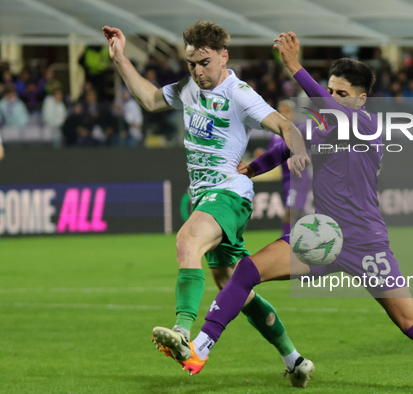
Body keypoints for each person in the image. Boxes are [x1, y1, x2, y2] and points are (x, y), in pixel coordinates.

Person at [185, 32, 413, 389]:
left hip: (365, 242)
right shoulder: (324, 123)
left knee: (412, 324)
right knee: (246, 271)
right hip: (324, 237)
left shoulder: (365, 126)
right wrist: (252, 169)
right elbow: (290, 142)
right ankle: (201, 348)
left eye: (341, 93)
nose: (331, 98)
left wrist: (294, 67)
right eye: (330, 90)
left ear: (361, 100)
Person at [102, 21, 312, 384]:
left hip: (230, 192)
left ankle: (183, 333)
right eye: (191, 64)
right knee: (233, 286)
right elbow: (151, 99)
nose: (197, 71)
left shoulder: (239, 93)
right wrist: (120, 58)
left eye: (204, 62)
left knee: (187, 240)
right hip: (206, 194)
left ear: (223, 57)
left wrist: (298, 152)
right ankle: (294, 360)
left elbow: (285, 126)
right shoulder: (187, 87)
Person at [259, 100, 310, 236]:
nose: (283, 114)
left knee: (290, 214)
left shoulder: (300, 131)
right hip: (286, 181)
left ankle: (285, 244)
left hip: (298, 179)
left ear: (293, 114)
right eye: (280, 111)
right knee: (297, 213)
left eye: (286, 111)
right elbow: (273, 156)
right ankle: (305, 240)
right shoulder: (276, 134)